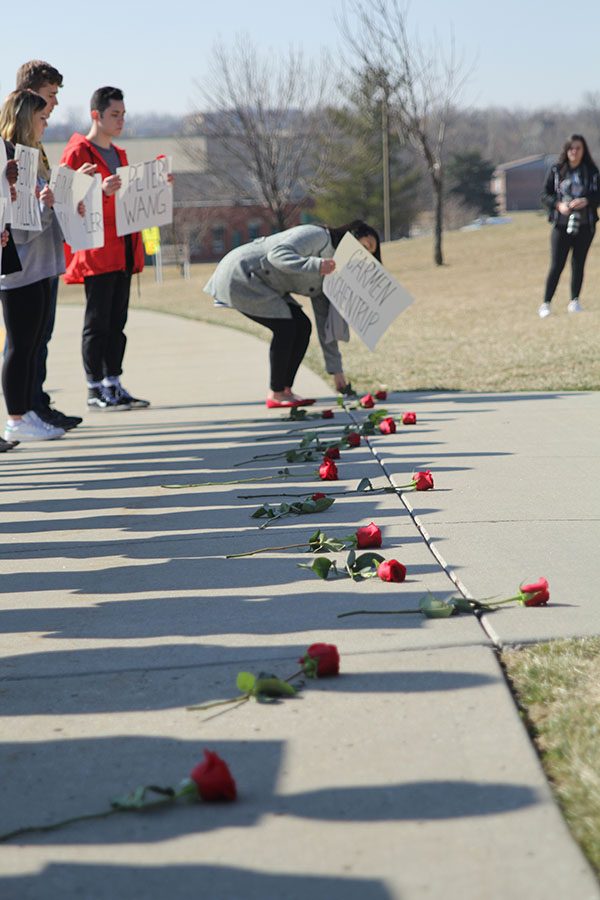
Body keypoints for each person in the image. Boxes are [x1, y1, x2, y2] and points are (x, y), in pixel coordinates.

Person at [204, 220, 381, 407]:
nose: (363, 253)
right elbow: (276, 255)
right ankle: (276, 393)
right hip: (242, 273)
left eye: (368, 254)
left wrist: (337, 371)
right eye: (365, 244)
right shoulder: (318, 236)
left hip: (266, 285)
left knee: (303, 326)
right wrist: (317, 265)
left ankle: (284, 390)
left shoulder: (333, 272)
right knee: (286, 328)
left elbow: (325, 323)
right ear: (352, 234)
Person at [60, 86, 149, 410]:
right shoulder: (77, 152)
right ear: (95, 115)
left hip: (123, 249)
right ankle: (94, 387)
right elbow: (66, 201)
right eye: (115, 114)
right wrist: (100, 189)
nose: (120, 120)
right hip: (97, 252)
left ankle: (114, 382)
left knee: (117, 323)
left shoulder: (119, 154)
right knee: (97, 323)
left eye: (123, 114)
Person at [15, 60, 82, 430]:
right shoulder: (15, 146)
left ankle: (36, 403)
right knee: (23, 341)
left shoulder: (35, 144)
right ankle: (24, 410)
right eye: (50, 95)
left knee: (40, 337)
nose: (54, 105)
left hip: (44, 256)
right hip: (24, 261)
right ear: (30, 93)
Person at [0, 91, 66, 441]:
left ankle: (25, 412)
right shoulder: (12, 159)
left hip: (41, 266)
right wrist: (44, 205)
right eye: (41, 118)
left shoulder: (33, 157)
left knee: (33, 343)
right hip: (20, 269)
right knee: (21, 345)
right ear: (25, 118)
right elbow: (21, 228)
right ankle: (16, 418)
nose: (46, 123)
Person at [539, 134, 600, 318]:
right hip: (561, 224)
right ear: (566, 150)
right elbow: (544, 195)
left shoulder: (591, 172)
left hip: (585, 225)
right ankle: (546, 303)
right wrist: (559, 205)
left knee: (578, 263)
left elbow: (598, 195)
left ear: (583, 150)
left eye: (578, 148)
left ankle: (575, 300)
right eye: (571, 148)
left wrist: (586, 201)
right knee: (557, 264)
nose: (574, 151)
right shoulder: (557, 171)